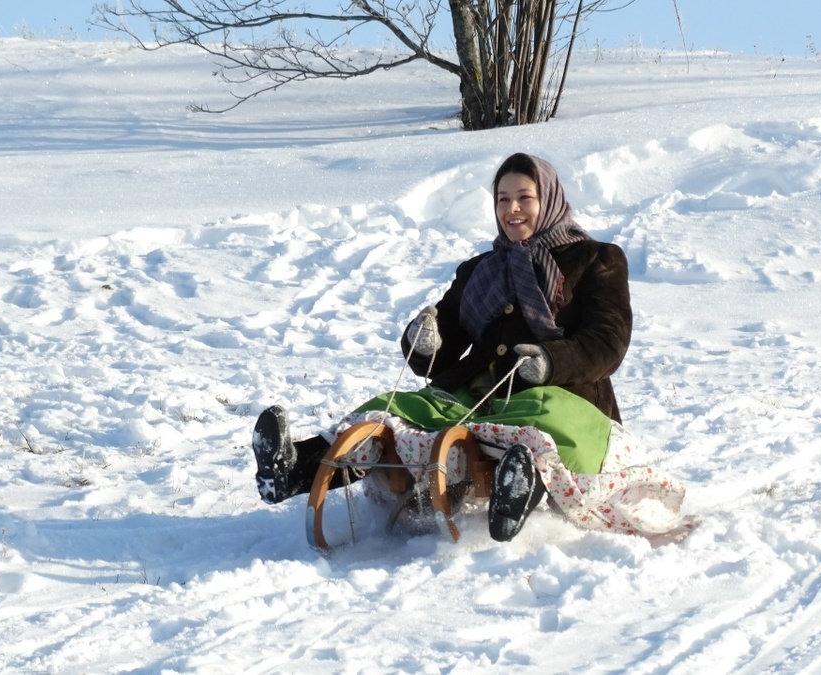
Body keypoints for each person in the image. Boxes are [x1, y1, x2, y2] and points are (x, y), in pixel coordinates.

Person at [253, 152, 692, 542]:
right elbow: (442, 347)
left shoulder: (597, 258)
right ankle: (295, 469)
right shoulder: (480, 269)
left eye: (524, 197)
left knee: (541, 424)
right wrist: (425, 340)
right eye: (503, 199)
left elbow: (609, 339)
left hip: (563, 392)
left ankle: (516, 493)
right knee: (389, 412)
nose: (512, 209)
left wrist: (550, 361)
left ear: (549, 199)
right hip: (476, 395)